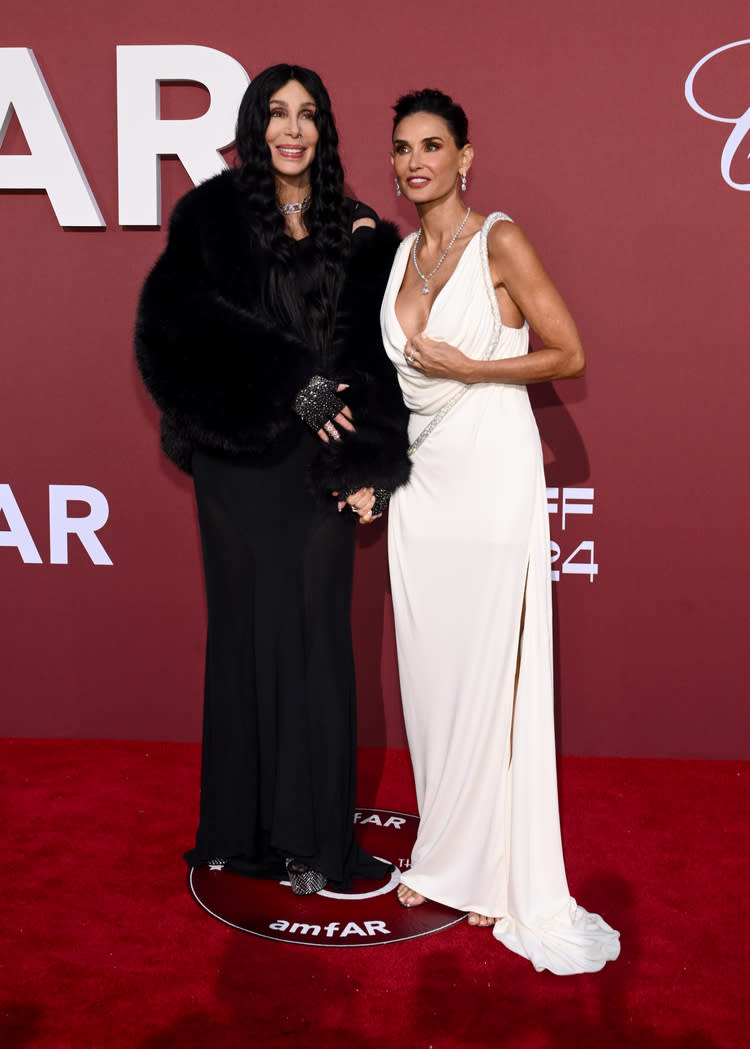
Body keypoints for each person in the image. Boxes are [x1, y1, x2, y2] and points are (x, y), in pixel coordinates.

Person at [135, 64, 410, 895]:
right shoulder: (212, 215)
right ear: (254, 126)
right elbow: (172, 326)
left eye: (309, 115)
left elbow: (373, 361)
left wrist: (371, 462)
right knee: (246, 635)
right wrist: (291, 375)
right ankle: (239, 833)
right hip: (237, 461)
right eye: (277, 113)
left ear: (325, 131)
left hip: (317, 463)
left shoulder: (360, 230)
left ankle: (315, 840)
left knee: (318, 640)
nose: (293, 129)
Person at [380, 89, 620, 973]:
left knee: (489, 670)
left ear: (465, 157)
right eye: (403, 147)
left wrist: (475, 367)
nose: (416, 162)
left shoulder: (501, 240)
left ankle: (483, 869)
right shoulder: (401, 253)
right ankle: (449, 845)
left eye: (433, 146)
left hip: (490, 471)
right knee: (435, 674)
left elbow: (570, 352)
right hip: (422, 484)